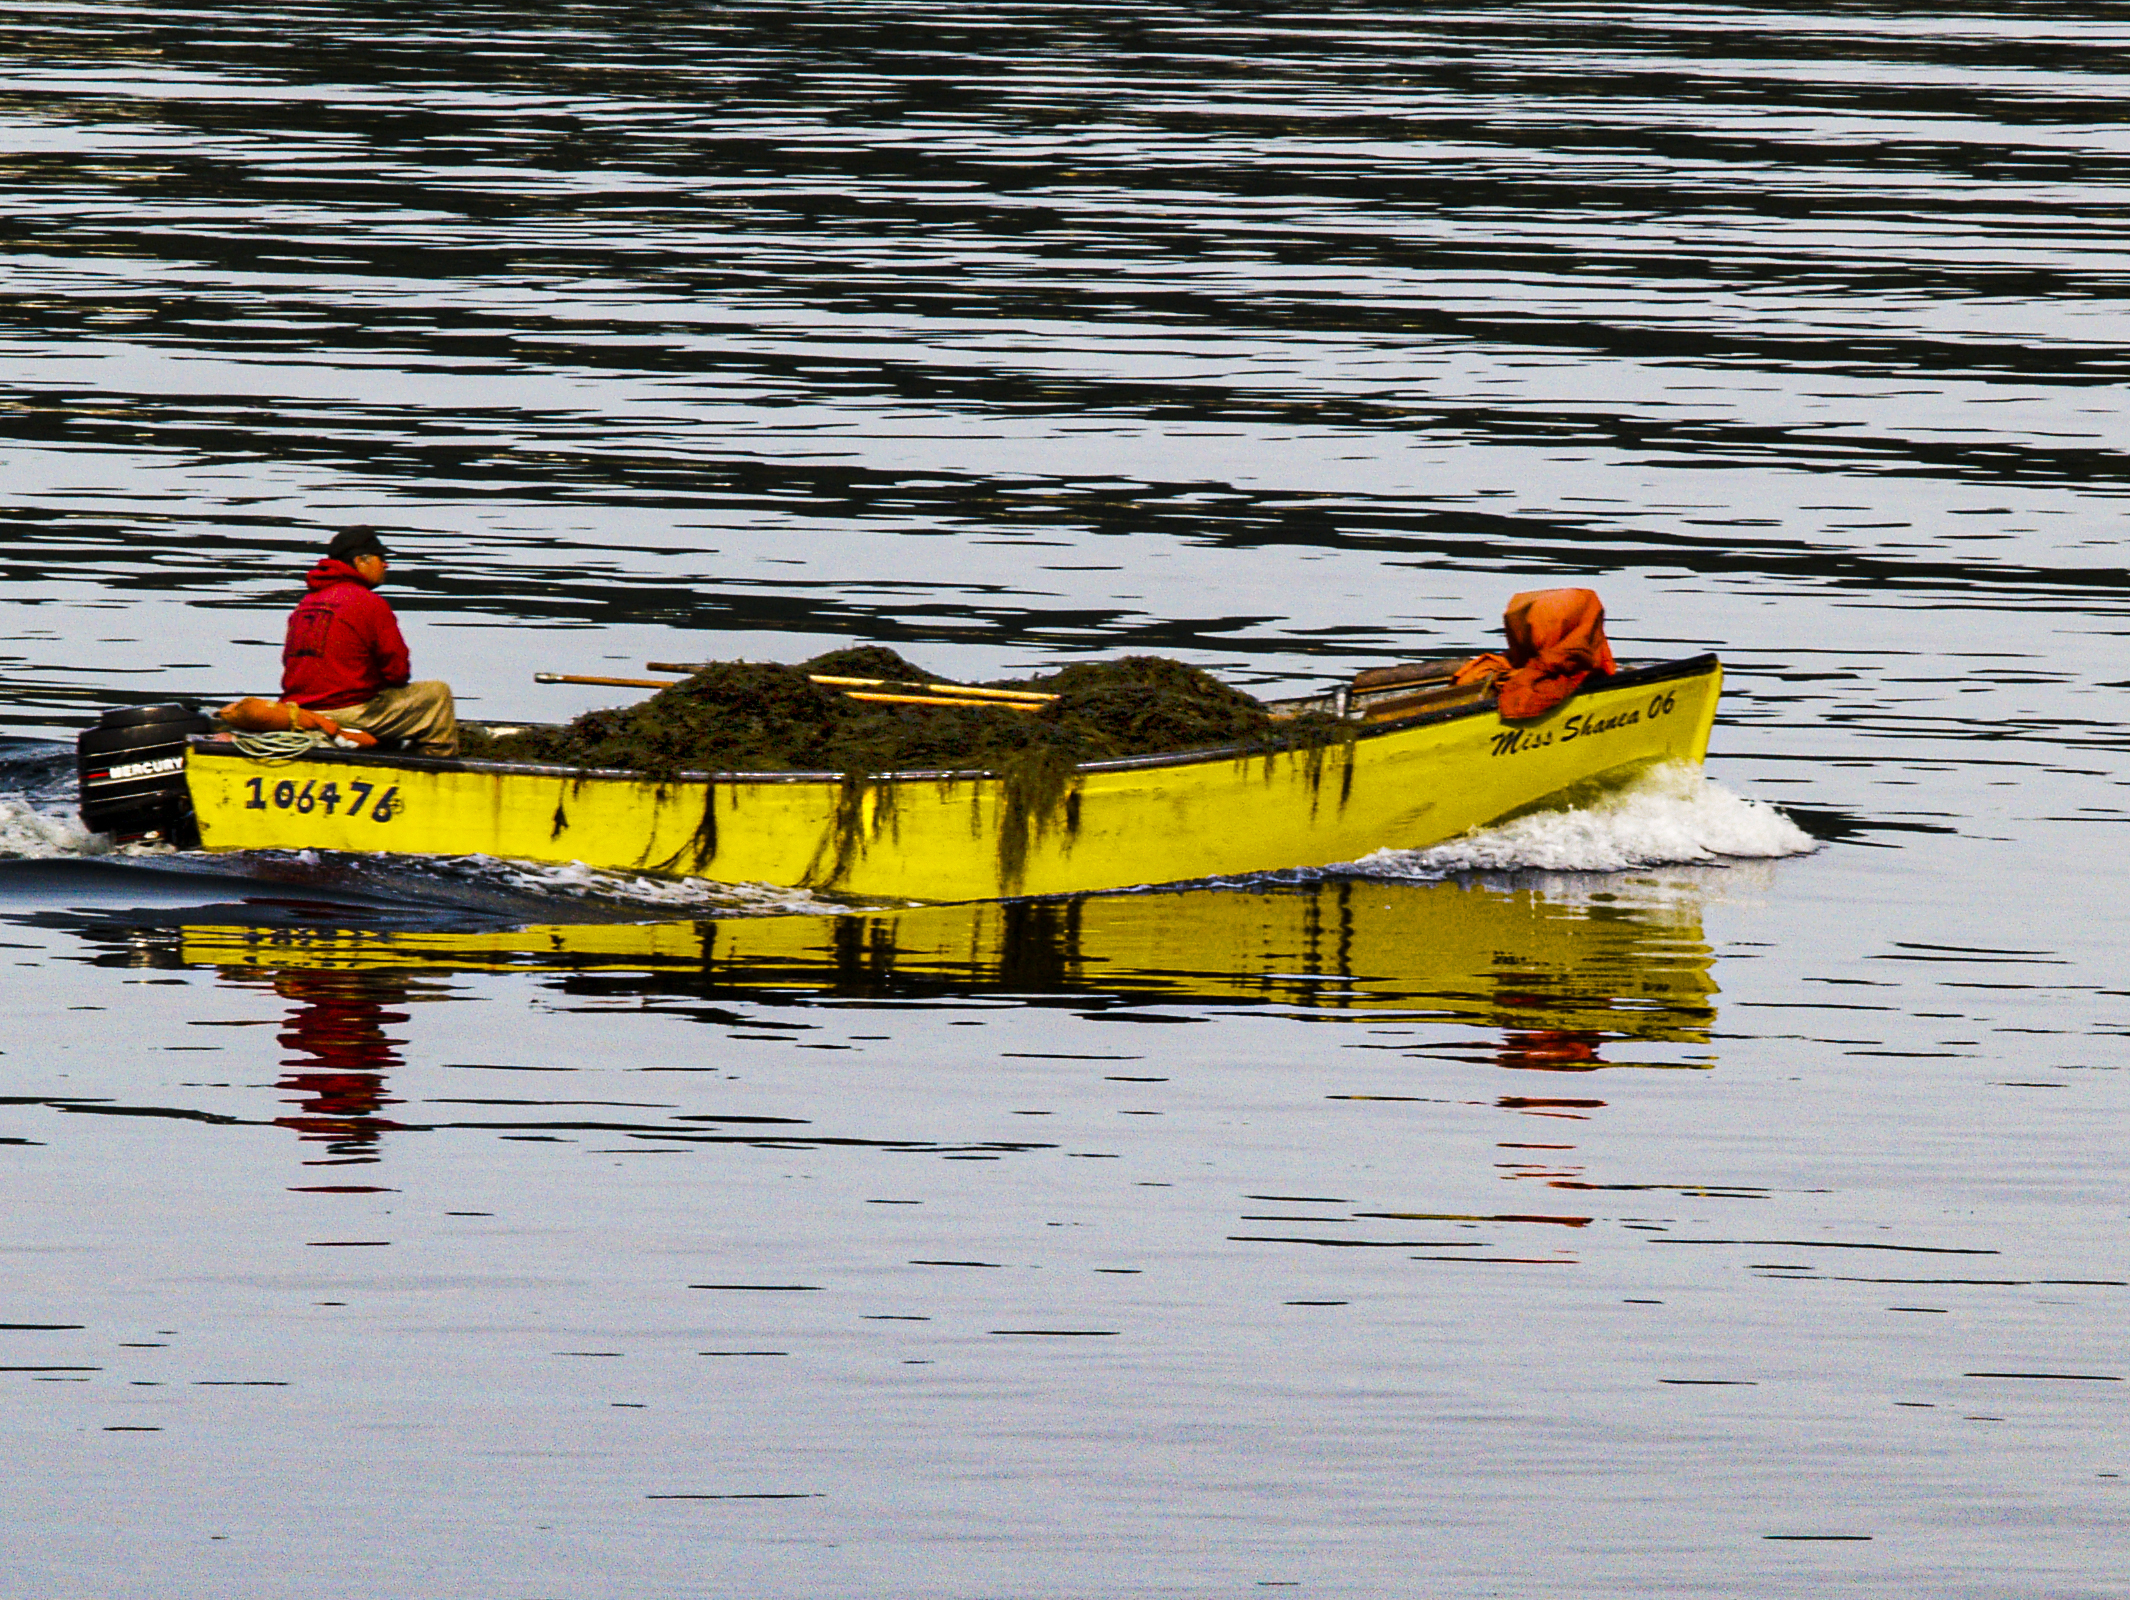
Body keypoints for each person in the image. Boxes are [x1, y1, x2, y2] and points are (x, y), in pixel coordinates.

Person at [281, 528, 460, 757]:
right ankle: (435, 763)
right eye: (381, 559)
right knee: (437, 695)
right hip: (347, 710)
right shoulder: (370, 603)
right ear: (360, 561)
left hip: (298, 710)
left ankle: (382, 748)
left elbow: (290, 661)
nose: (386, 565)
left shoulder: (307, 602)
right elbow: (398, 672)